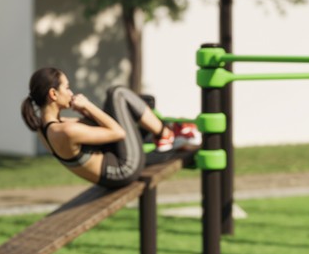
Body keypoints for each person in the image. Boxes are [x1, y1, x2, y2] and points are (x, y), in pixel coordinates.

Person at [20, 67, 196, 189]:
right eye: (67, 87)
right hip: (123, 169)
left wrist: (86, 112)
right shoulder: (64, 131)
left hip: (111, 165)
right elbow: (118, 133)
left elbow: (96, 129)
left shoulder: (46, 128)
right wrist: (88, 106)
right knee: (117, 93)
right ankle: (166, 134)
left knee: (136, 102)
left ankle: (164, 133)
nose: (71, 92)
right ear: (53, 94)